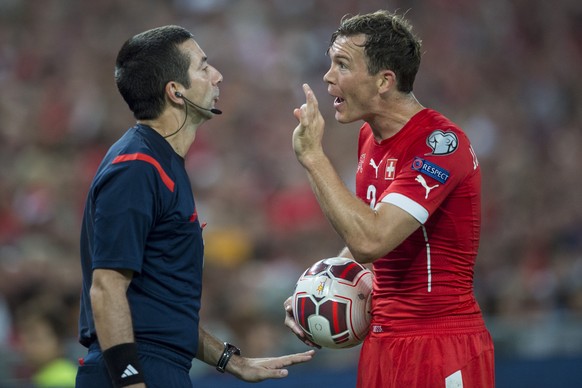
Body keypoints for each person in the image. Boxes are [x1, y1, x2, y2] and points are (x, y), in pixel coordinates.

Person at [76, 25, 313, 388]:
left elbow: (162, 308)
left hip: (162, 365)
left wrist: (231, 361)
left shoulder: (160, 161)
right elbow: (106, 287)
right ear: (176, 91)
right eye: (203, 67)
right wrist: (130, 380)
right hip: (136, 369)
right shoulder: (137, 167)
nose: (217, 75)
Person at [284, 10, 495, 387]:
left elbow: (370, 240)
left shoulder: (440, 146)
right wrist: (318, 286)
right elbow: (367, 235)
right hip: (382, 343)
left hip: (440, 344)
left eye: (342, 64)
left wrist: (314, 158)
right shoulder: (370, 137)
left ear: (384, 80)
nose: (327, 76)